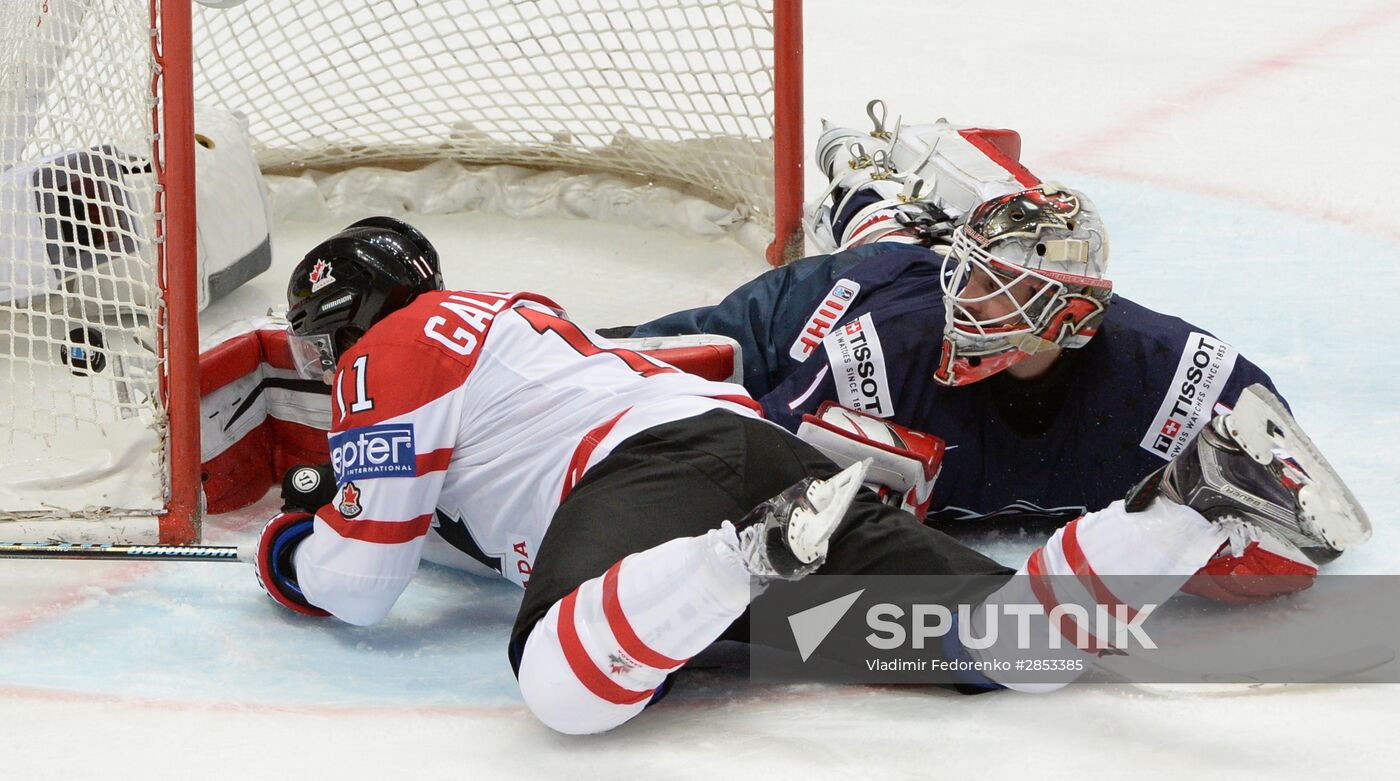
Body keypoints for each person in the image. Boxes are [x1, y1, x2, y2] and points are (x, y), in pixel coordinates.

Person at [251, 217, 1362, 734]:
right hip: (753, 451)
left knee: (560, 686)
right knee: (1011, 653)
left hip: (656, 480)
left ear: (342, 321)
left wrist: (284, 548)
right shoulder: (522, 322)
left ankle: (743, 557)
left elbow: (360, 585)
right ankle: (1182, 505)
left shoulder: (389, 352)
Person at [606, 106, 1371, 592]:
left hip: (901, 281)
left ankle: (874, 183)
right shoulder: (884, 353)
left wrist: (1210, 525)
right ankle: (861, 179)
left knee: (908, 242)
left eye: (993, 288)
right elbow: (738, 468)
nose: (963, 300)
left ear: (1067, 315)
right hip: (838, 299)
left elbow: (1312, 526)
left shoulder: (1166, 372)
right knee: (667, 365)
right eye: (969, 276)